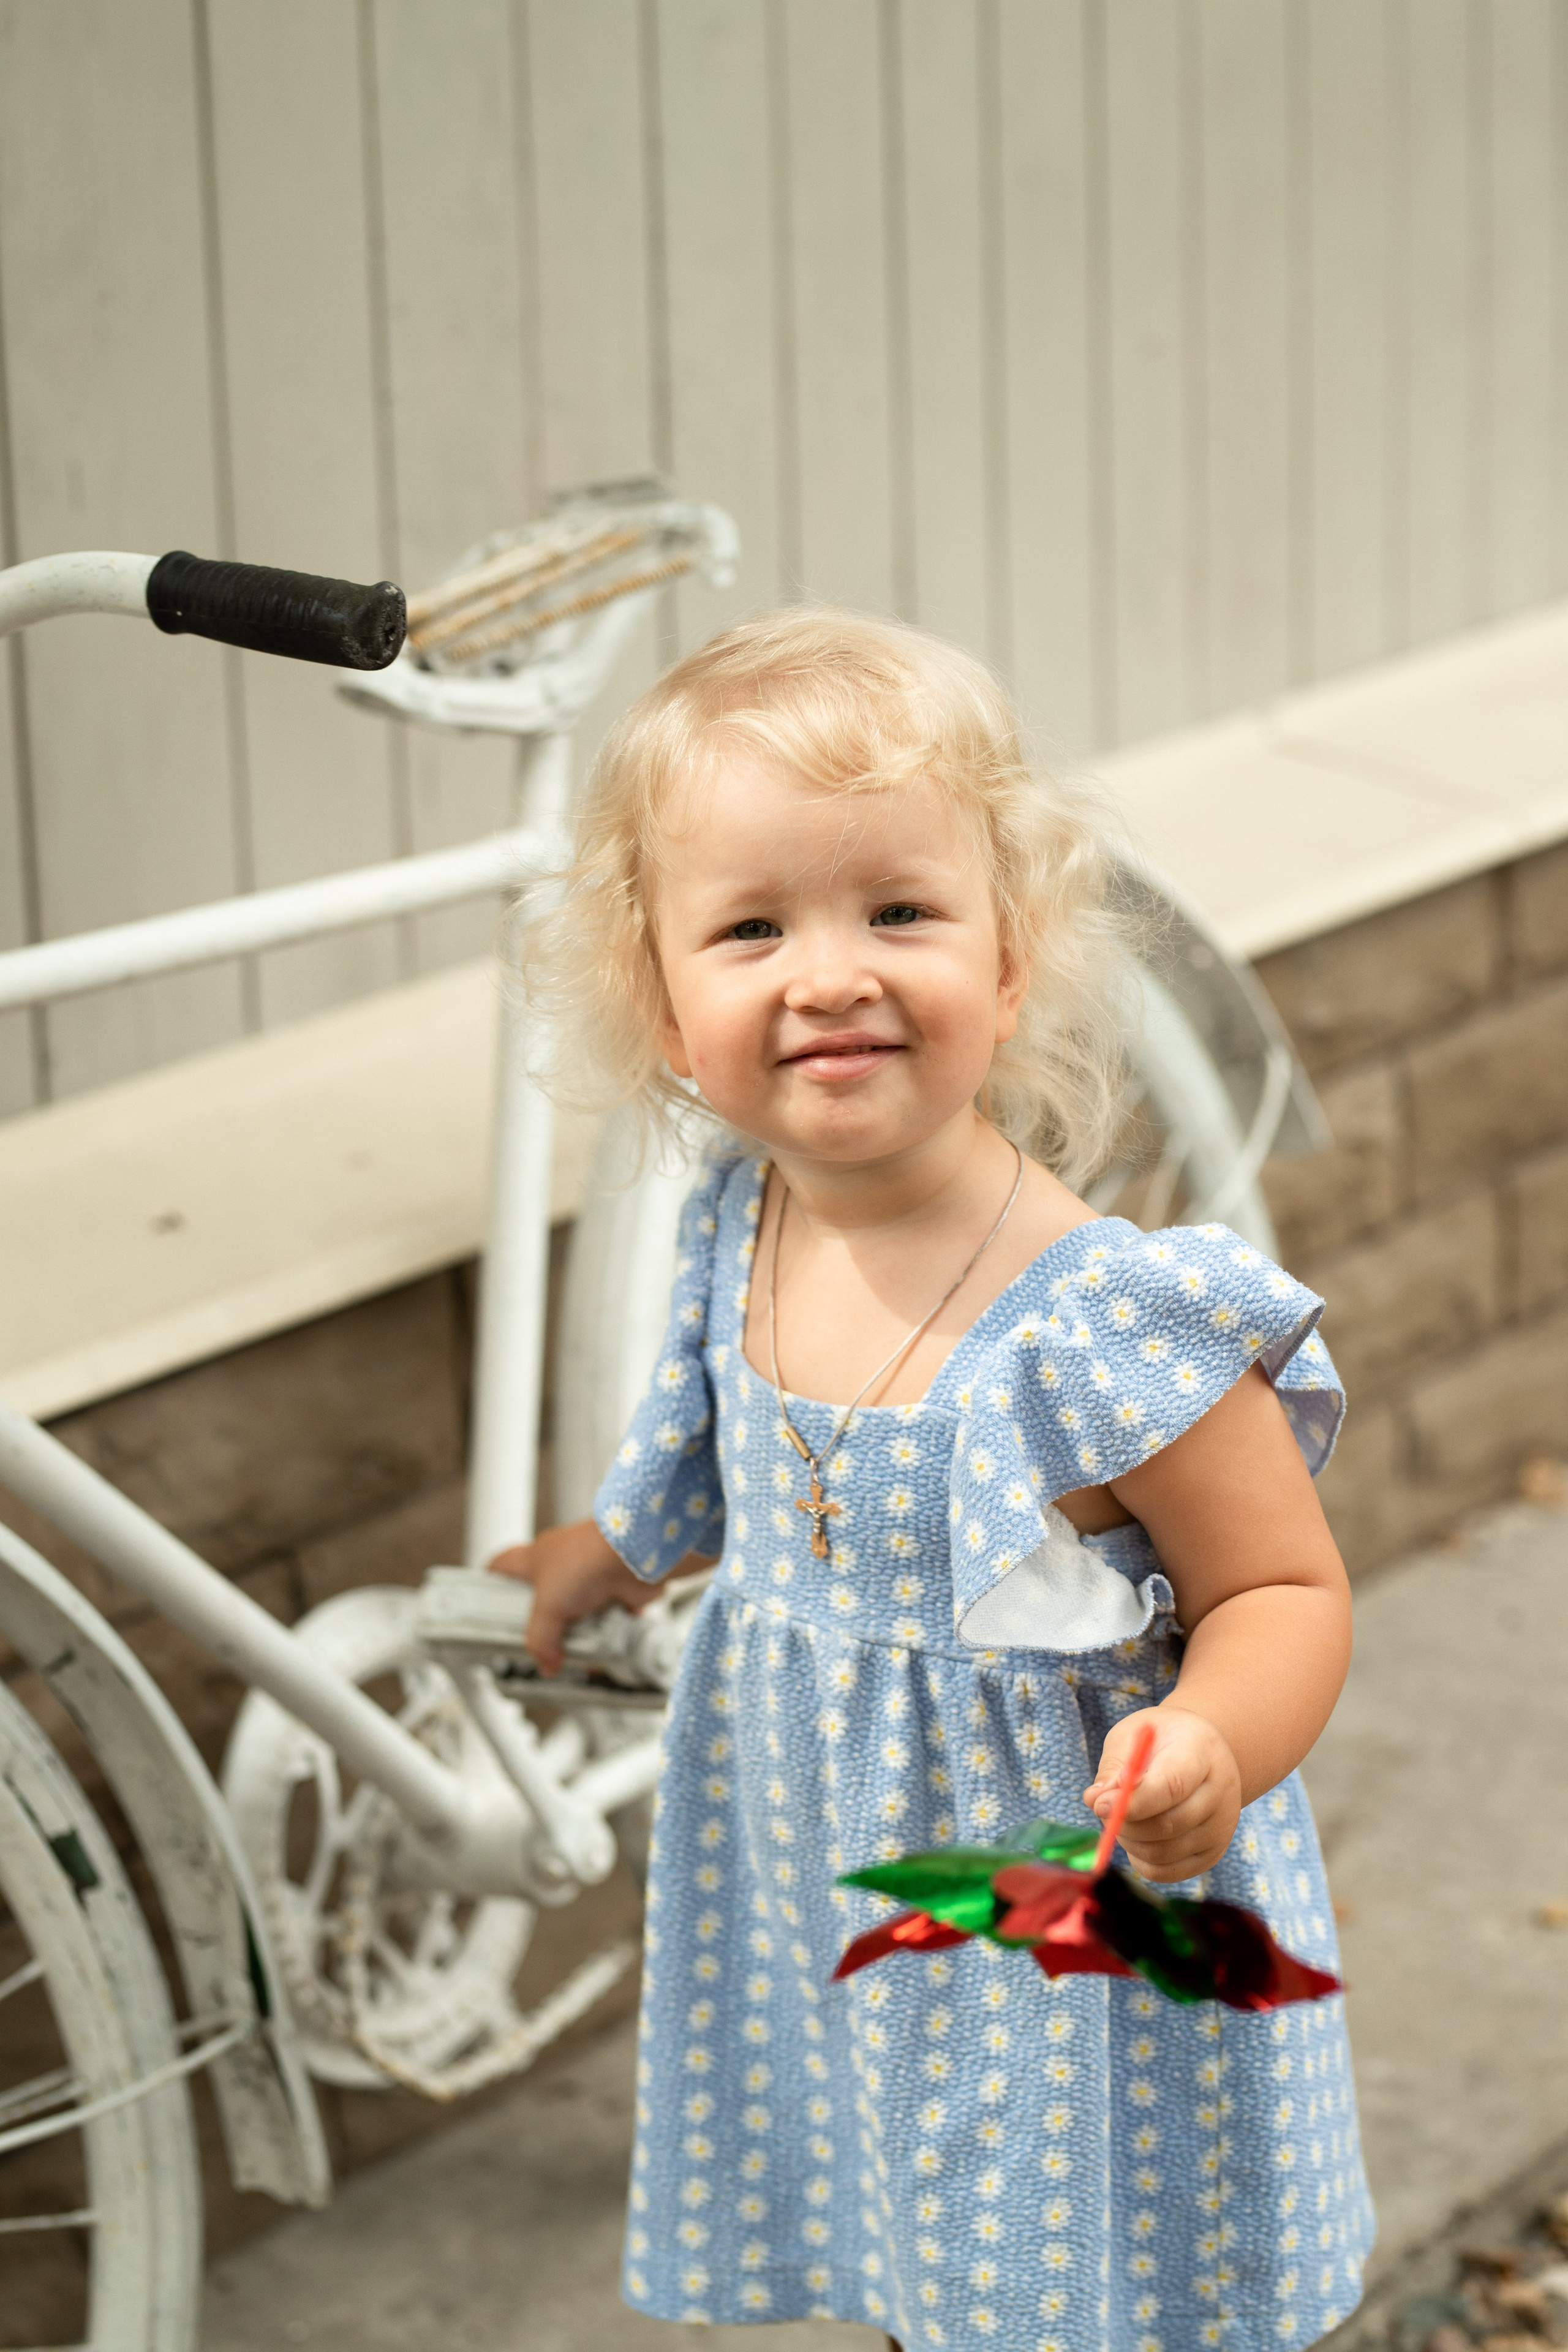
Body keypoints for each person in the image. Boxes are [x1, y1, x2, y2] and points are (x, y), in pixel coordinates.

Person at [489, 609, 1374, 2349]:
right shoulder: (739, 1222)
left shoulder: (1108, 1326)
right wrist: (603, 1553)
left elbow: (1282, 1589)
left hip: (1057, 1910)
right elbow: (705, 1454)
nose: (831, 974)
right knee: (922, 2247)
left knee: (1066, 2277)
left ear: (1014, 956)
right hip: (828, 1858)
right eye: (752, 928)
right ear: (666, 1005)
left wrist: (1219, 1735)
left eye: (899, 910)